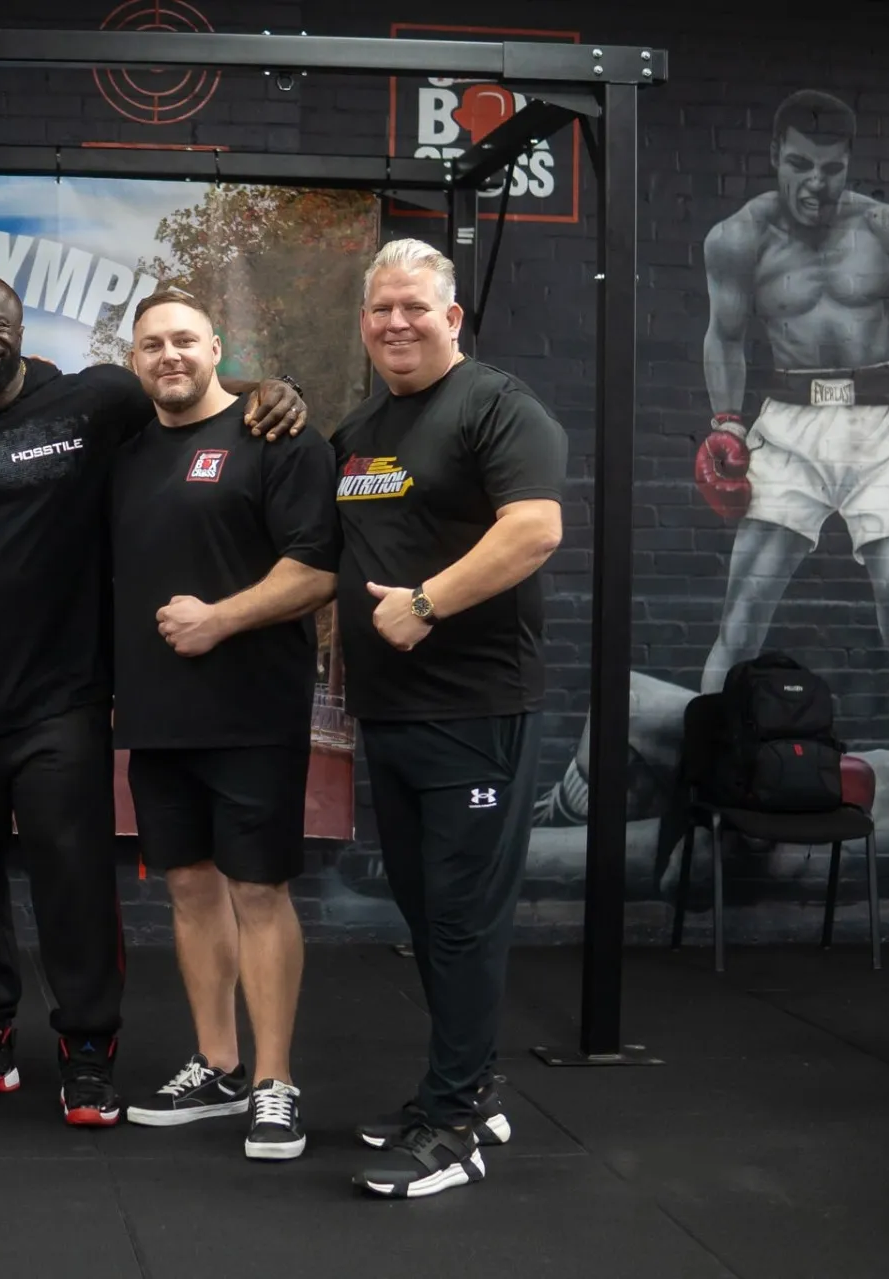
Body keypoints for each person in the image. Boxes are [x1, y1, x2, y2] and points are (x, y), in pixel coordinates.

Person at [0, 272, 306, 1125]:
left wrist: (268, 389)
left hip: (60, 697)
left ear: (22, 329)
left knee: (74, 884)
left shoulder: (91, 401)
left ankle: (88, 1051)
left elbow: (187, 387)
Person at [327, 239, 565, 1198]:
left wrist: (424, 602)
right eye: (380, 309)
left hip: (475, 706)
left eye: (414, 308)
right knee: (429, 915)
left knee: (462, 919)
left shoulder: (498, 406)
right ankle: (460, 1085)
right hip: (393, 712)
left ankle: (458, 1121)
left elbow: (534, 528)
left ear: (452, 316)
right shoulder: (369, 424)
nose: (395, 322)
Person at [110, 291, 339, 1161]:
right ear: (134, 361)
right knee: (189, 886)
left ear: (217, 347)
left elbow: (317, 570)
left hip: (251, 710)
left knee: (258, 891)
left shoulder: (278, 437)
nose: (168, 356)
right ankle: (218, 1065)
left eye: (184, 340)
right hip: (158, 714)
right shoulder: (126, 455)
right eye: (151, 345)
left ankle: (276, 1082)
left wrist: (222, 618)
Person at [697, 89, 889, 757]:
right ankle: (707, 770)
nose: (815, 183)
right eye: (799, 165)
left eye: (831, 169)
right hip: (789, 428)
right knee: (744, 614)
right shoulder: (737, 239)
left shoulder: (887, 230)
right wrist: (726, 424)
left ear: (849, 165)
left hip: (886, 431)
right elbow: (725, 337)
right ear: (774, 159)